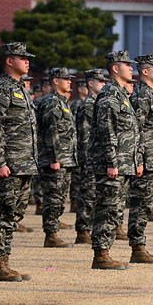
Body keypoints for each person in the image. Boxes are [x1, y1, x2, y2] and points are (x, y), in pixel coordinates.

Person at [0, 42, 38, 281]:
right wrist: (0, 161)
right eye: (22, 58)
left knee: (14, 215)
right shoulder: (1, 89)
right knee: (3, 214)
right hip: (8, 165)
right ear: (9, 61)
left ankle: (4, 261)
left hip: (24, 163)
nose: (27, 61)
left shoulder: (20, 89)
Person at [89, 51, 140, 269]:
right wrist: (112, 162)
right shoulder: (110, 94)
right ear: (115, 68)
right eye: (126, 65)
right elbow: (106, 130)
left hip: (124, 163)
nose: (131, 68)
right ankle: (101, 254)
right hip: (113, 164)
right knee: (108, 207)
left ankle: (105, 251)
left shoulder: (121, 94)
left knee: (116, 208)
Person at [125, 54, 153, 264]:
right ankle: (137, 248)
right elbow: (137, 131)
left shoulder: (151, 95)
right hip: (146, 161)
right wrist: (139, 160)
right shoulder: (141, 96)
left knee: (146, 205)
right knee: (140, 205)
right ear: (144, 71)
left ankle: (140, 245)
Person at [36, 67, 77, 248]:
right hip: (55, 160)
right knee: (53, 198)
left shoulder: (62, 102)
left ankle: (54, 230)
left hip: (65, 159)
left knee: (59, 198)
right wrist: (54, 158)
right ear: (55, 81)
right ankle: (50, 235)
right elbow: (51, 132)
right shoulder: (52, 102)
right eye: (65, 79)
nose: (69, 81)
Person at [74, 69, 106, 244]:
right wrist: (87, 159)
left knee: (95, 194)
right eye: (99, 82)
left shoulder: (99, 102)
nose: (102, 84)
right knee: (87, 193)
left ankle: (90, 227)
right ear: (90, 84)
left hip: (97, 157)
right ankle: (83, 230)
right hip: (90, 157)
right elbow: (85, 135)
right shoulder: (88, 105)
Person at [68, 78, 88, 214]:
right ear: (80, 89)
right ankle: (74, 202)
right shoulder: (77, 105)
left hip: (83, 146)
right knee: (77, 178)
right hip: (79, 146)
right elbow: (76, 128)